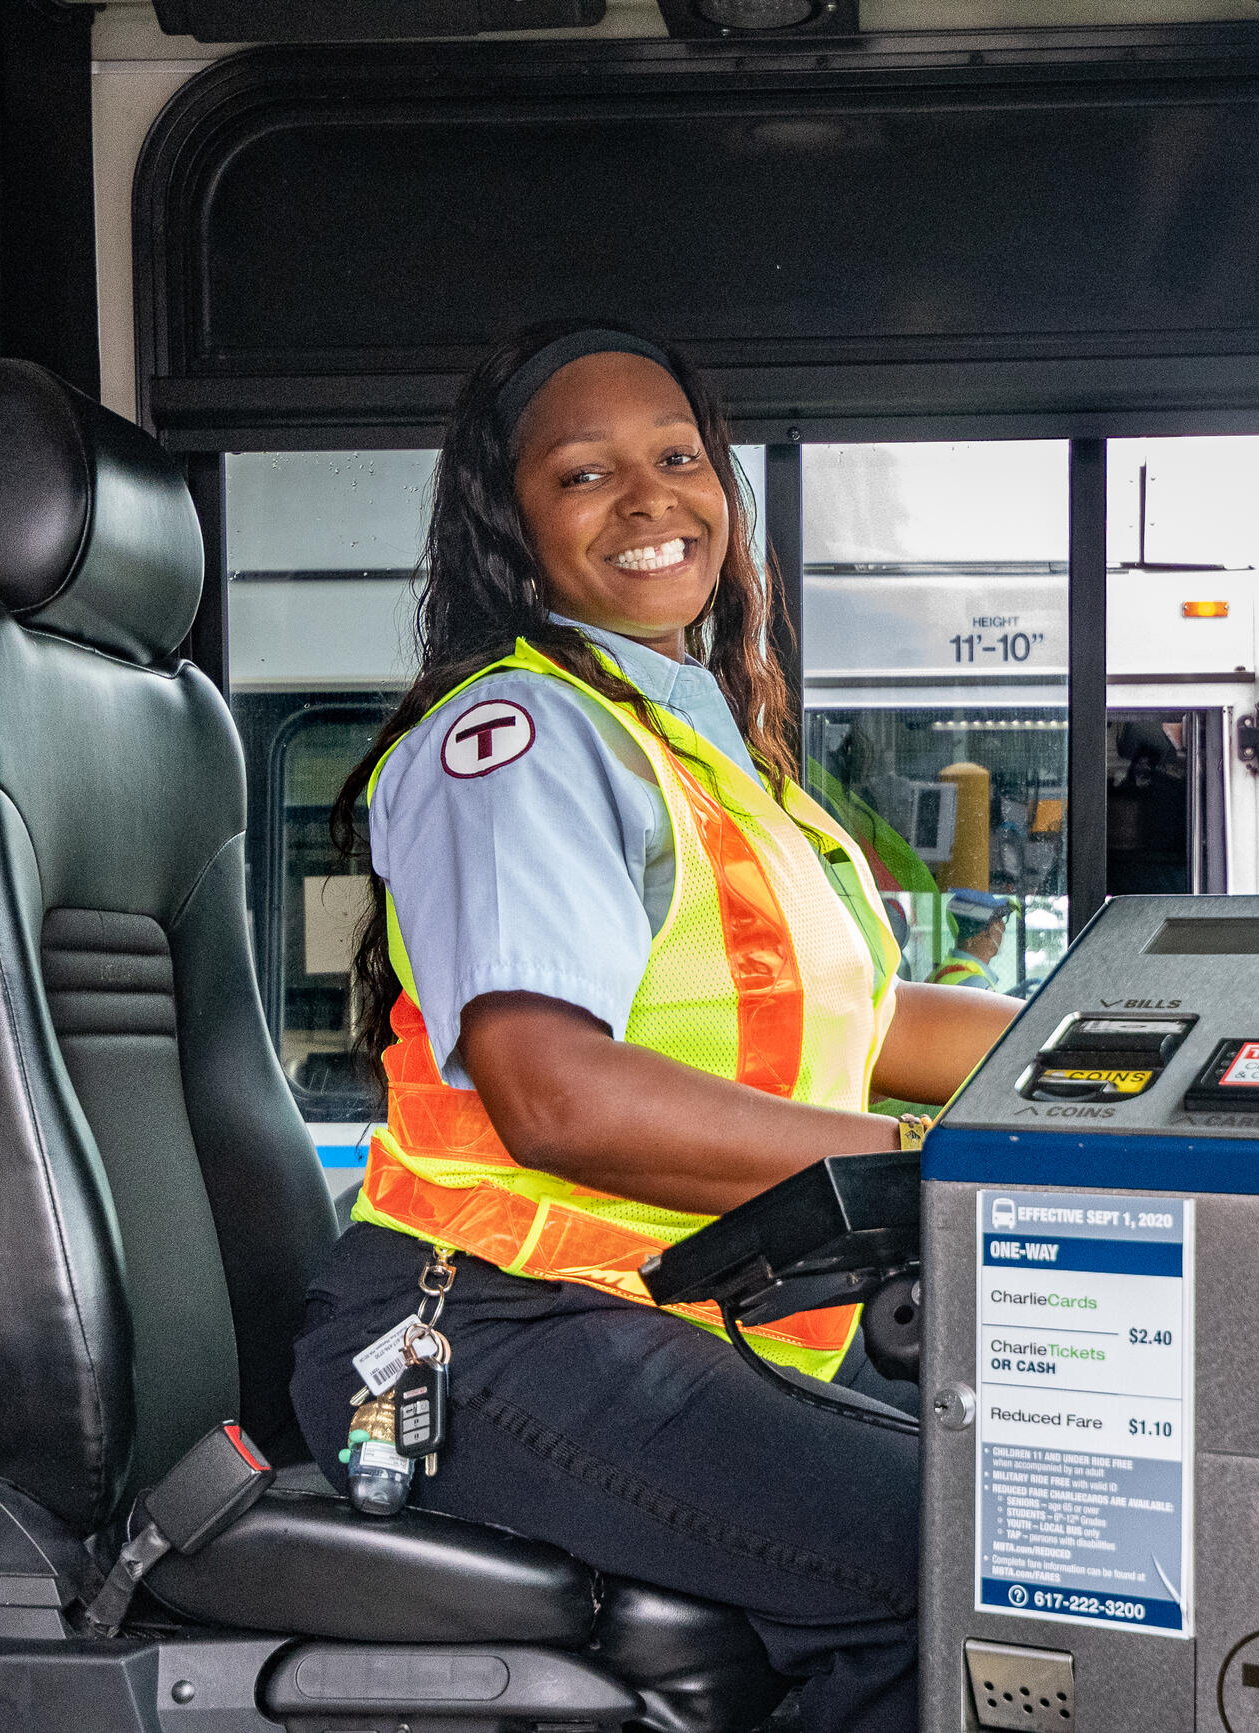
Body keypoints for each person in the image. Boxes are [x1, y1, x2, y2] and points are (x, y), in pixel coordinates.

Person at [291, 321, 1022, 1733]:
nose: (650, 499)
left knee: (1044, 1492)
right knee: (958, 1552)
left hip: (654, 1319)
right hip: (486, 1331)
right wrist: (934, 1168)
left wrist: (1123, 1065)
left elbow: (857, 1022)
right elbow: (555, 1095)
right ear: (512, 520)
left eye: (679, 457)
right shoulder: (513, 738)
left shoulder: (711, 755)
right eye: (584, 473)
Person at [928, 889, 1013, 988]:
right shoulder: (977, 984)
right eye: (997, 920)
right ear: (972, 937)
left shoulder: (942, 971)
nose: (1002, 926)